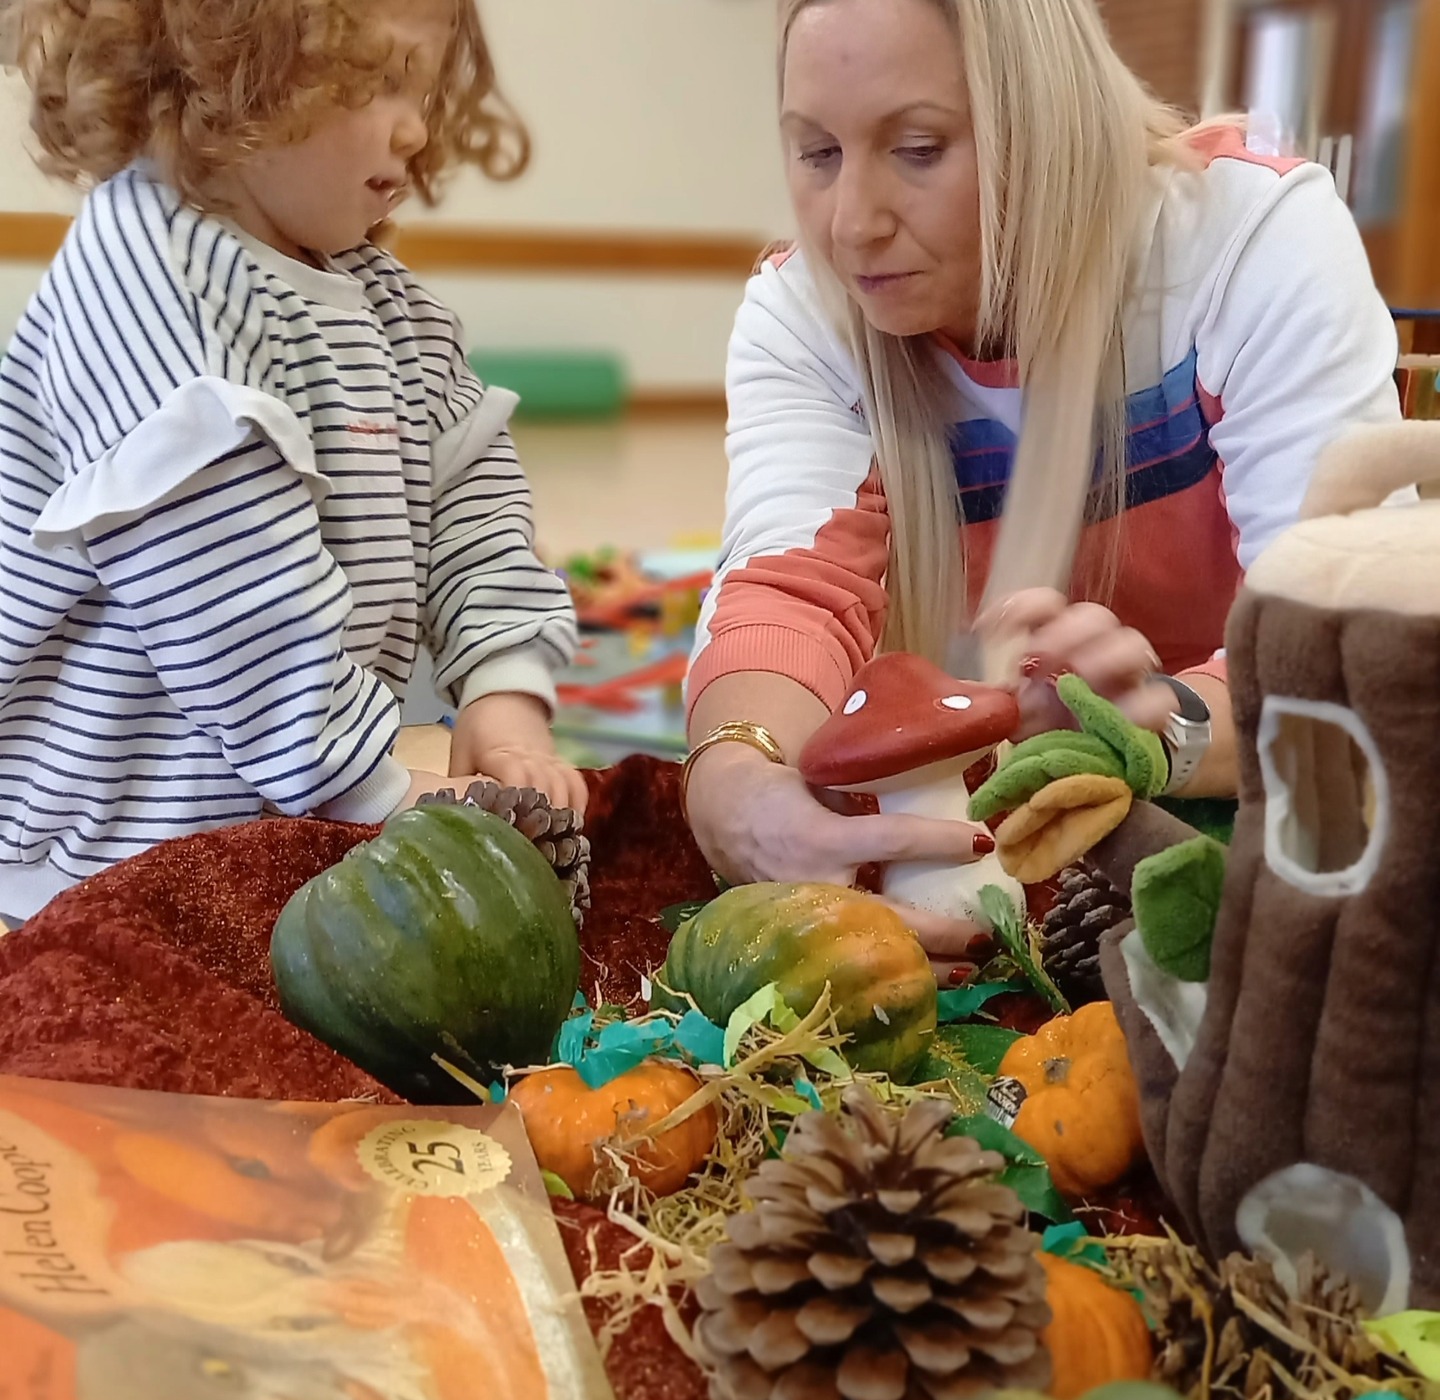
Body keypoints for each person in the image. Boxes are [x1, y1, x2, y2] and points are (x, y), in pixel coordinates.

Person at [682, 0, 1401, 958]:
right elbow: (788, 591)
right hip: (992, 822)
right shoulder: (800, 312)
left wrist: (1154, 727)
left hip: (1253, 805)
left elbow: (1349, 639)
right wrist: (738, 783)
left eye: (920, 149)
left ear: (1043, 120)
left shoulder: (1249, 244)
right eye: (818, 153)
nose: (852, 224)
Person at [0, 0, 585, 924]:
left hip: (299, 819)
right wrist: (382, 791)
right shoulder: (144, 271)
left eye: (426, 91)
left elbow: (473, 508)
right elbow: (228, 595)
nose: (416, 129)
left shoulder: (390, 308)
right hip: (101, 859)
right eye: (381, 80)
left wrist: (503, 689)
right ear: (228, 67)